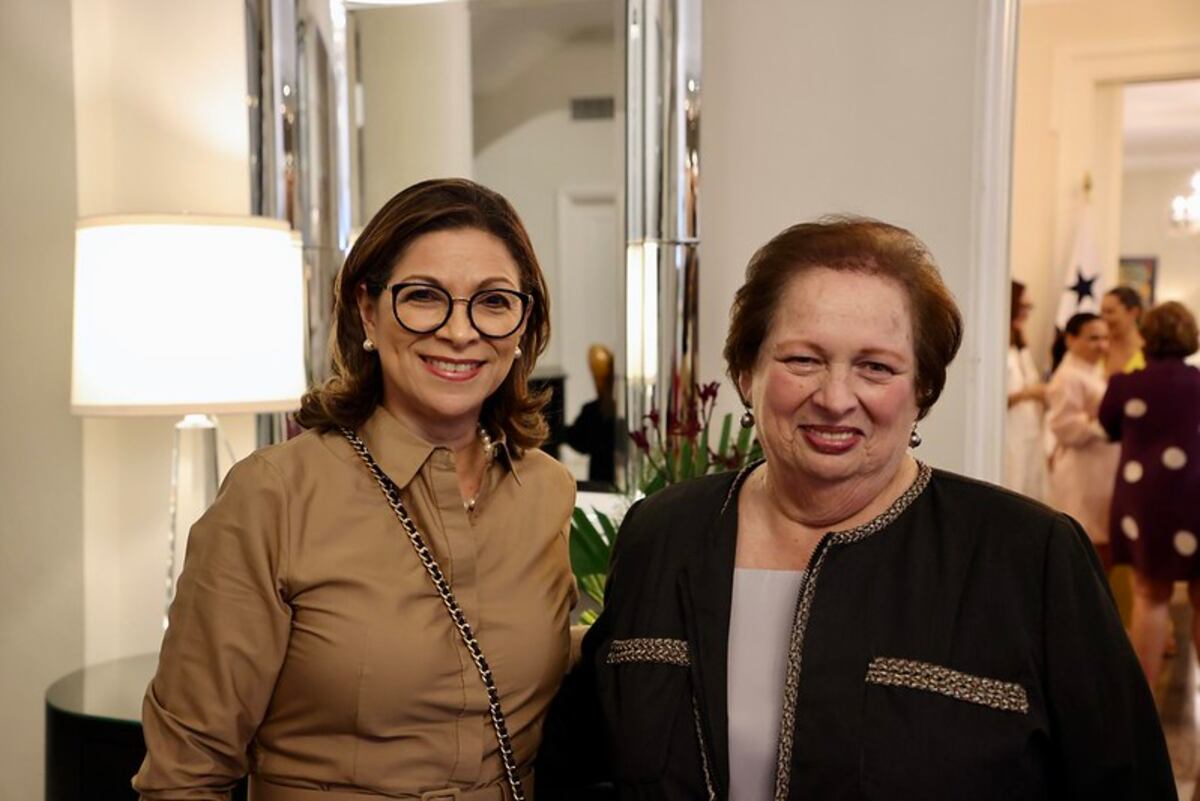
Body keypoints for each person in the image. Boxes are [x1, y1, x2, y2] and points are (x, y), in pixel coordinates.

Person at [535, 218, 1173, 800]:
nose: (836, 398)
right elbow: (580, 765)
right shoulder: (663, 533)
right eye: (802, 359)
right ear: (745, 373)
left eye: (876, 366)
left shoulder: (1029, 557)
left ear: (921, 389)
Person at [134, 178, 577, 800]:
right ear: (367, 310)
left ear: (523, 321)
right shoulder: (276, 496)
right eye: (424, 297)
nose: (460, 331)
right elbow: (184, 777)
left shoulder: (545, 491)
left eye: (494, 301)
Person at [1101, 301, 1200, 688]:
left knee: (1150, 595)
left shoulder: (1127, 384)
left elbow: (1107, 425)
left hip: (1148, 498)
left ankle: (1142, 704)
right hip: (1197, 494)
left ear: (1147, 335)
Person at [1046, 312, 1120, 567]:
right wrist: (1104, 424)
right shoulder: (1068, 377)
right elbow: (1063, 426)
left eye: (1105, 338)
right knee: (1087, 546)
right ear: (1070, 340)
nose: (1102, 345)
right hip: (1082, 470)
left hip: (1100, 468)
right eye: (1093, 338)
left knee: (1101, 544)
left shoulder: (1092, 371)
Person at [1004, 279, 1047, 501]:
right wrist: (1028, 394)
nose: (1027, 312)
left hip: (1027, 430)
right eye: (1023, 307)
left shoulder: (1019, 343)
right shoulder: (998, 345)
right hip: (1009, 433)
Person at [1101, 286, 1146, 376]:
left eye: (1110, 312)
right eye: (1102, 312)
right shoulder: (1096, 347)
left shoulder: (1149, 352)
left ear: (1134, 313)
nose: (1104, 318)